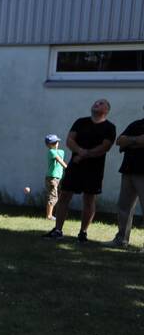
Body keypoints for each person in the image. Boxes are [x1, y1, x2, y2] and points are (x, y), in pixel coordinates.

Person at [44, 99, 117, 242]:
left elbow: (105, 147)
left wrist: (85, 154)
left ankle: (83, 233)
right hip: (75, 166)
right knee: (64, 195)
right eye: (96, 102)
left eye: (101, 103)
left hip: (94, 169)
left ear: (106, 110)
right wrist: (80, 151)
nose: (97, 104)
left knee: (89, 199)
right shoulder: (80, 122)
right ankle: (58, 230)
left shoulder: (109, 127)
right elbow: (70, 140)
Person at [104, 108, 144, 249]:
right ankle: (121, 239)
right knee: (124, 207)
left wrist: (130, 142)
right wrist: (136, 140)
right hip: (128, 170)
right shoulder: (136, 124)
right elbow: (120, 141)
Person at [43, 134, 68, 220]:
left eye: (56, 142)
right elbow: (59, 160)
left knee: (58, 196)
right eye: (53, 143)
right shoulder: (51, 152)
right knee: (53, 196)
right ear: (48, 145)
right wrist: (67, 168)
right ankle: (49, 216)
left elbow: (61, 153)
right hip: (52, 178)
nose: (55, 144)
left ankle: (56, 214)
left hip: (58, 178)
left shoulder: (61, 151)